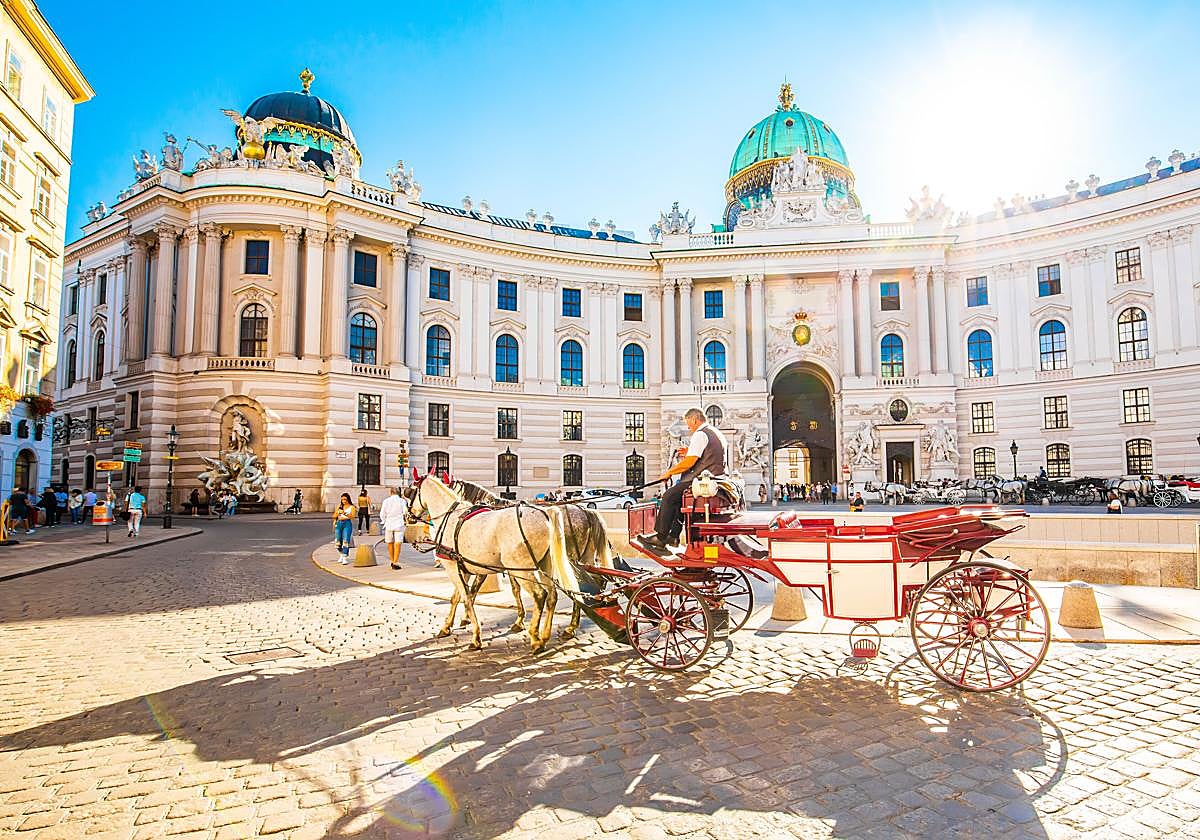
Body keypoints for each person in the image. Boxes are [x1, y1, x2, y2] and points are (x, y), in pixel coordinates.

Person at [637, 407, 728, 551]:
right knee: (678, 499)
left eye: (688, 422)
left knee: (669, 496)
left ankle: (660, 537)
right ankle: (673, 537)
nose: (688, 427)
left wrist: (669, 473)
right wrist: (689, 452)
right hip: (717, 478)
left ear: (694, 419)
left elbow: (690, 462)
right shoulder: (715, 432)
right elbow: (707, 455)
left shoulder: (700, 434)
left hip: (704, 480)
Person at [378, 486, 409, 570]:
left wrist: (384, 521)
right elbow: (405, 512)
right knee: (398, 543)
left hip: (389, 523)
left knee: (389, 542)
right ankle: (395, 561)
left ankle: (392, 560)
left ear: (390, 492)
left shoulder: (386, 501)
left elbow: (382, 514)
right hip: (399, 523)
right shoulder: (402, 501)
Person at [332, 493, 357, 564]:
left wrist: (344, 513)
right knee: (337, 540)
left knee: (345, 540)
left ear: (348, 499)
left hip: (347, 523)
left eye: (345, 499)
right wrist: (337, 513)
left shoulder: (352, 507)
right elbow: (333, 516)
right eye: (342, 499)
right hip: (339, 523)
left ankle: (345, 556)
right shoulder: (339, 507)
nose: (343, 501)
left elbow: (352, 516)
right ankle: (341, 554)